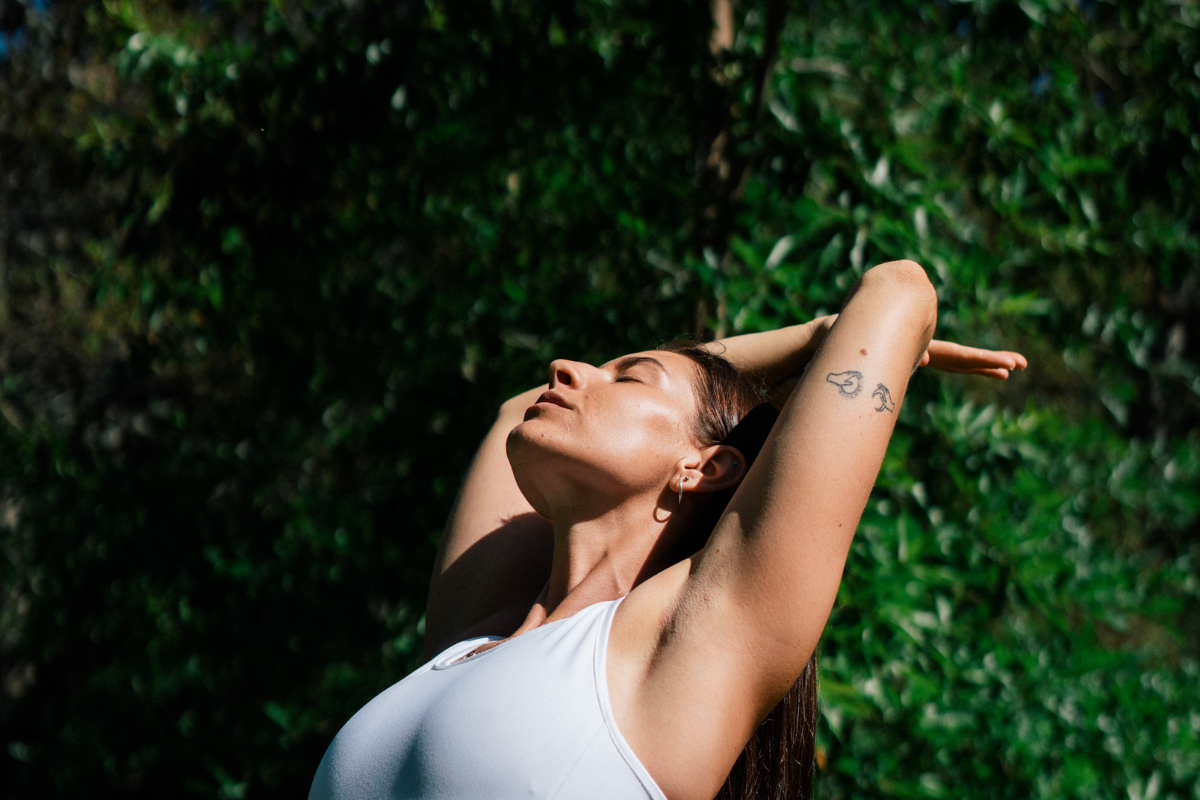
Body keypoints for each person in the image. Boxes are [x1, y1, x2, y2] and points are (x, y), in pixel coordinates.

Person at [309, 261, 1027, 800]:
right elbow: (516, 411)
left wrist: (827, 347)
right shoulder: (471, 645)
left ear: (706, 467)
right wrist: (806, 338)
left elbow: (900, 290)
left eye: (630, 378)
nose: (568, 370)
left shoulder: (683, 652)